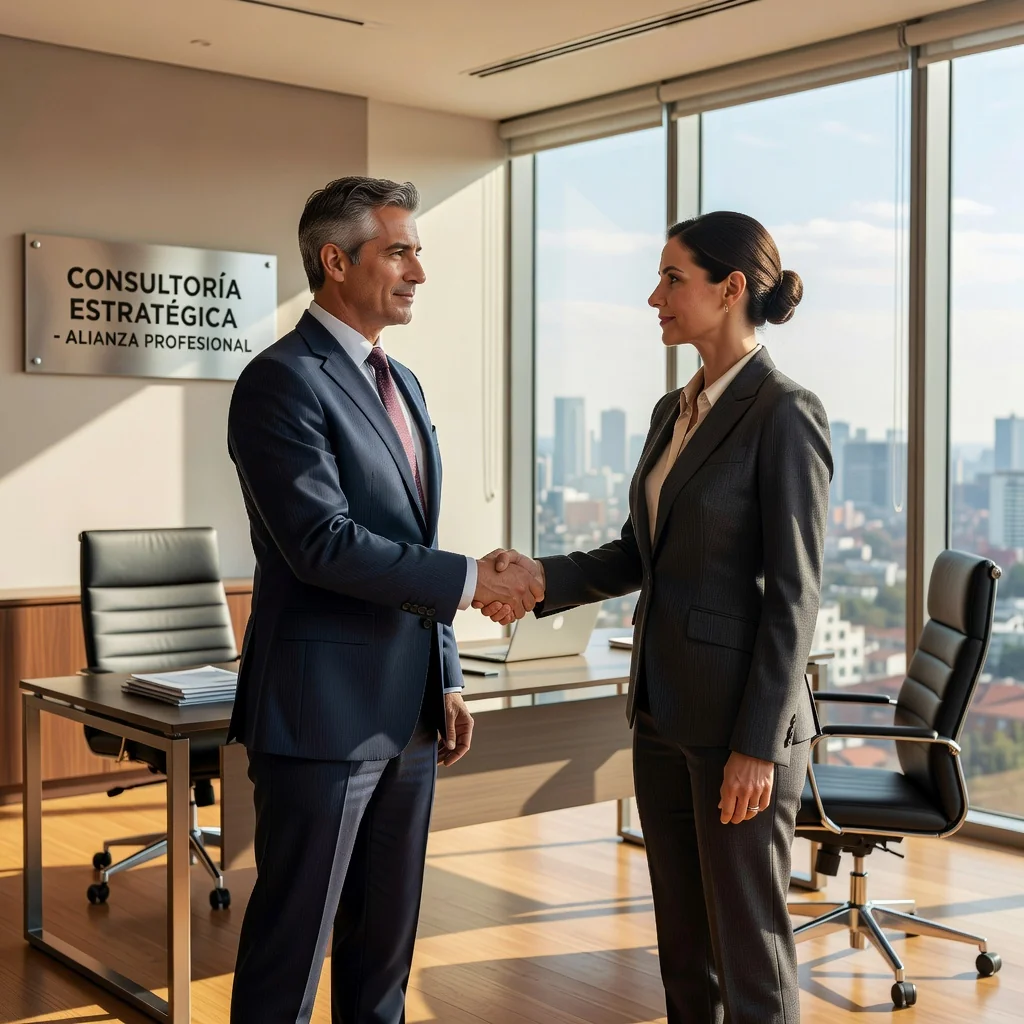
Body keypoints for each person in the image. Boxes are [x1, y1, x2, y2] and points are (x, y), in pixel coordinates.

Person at [484, 211, 832, 1023]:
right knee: (683, 944)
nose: (655, 297)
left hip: (739, 728)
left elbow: (795, 594)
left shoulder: (784, 411)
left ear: (731, 288)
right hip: (664, 712)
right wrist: (539, 579)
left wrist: (756, 745)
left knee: (748, 945)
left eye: (673, 278)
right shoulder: (671, 411)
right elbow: (640, 553)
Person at [227, 176, 543, 1024]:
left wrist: (445, 675)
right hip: (322, 716)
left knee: (384, 952)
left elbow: (410, 534)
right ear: (336, 261)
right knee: (291, 952)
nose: (418, 272)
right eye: (399, 250)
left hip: (407, 713)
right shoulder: (280, 381)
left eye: (417, 251)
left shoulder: (401, 382)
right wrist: (474, 582)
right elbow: (321, 542)